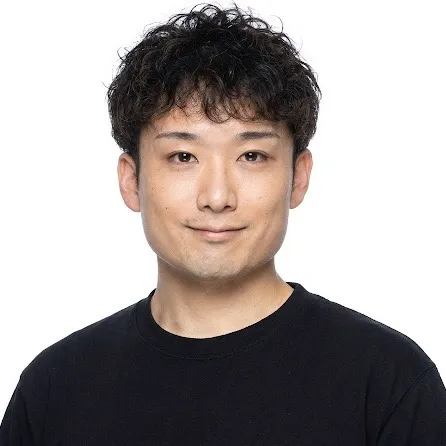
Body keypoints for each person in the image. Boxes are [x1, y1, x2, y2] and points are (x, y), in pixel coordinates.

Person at [1, 3, 445, 444]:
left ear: (298, 177)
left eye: (252, 156)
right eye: (183, 156)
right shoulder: (54, 389)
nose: (217, 197)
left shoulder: (389, 384)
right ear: (131, 180)